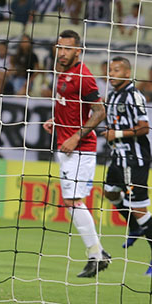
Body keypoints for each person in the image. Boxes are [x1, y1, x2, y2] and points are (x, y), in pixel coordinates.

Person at [42, 29, 109, 278]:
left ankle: (96, 253)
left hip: (80, 148)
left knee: (72, 201)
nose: (62, 53)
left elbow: (100, 112)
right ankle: (98, 251)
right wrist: (57, 122)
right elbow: (70, 107)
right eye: (59, 48)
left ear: (77, 51)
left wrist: (75, 136)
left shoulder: (83, 76)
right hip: (67, 146)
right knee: (69, 202)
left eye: (67, 49)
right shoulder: (63, 73)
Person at [102, 57, 152, 276]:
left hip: (134, 159)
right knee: (110, 193)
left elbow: (144, 128)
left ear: (127, 73)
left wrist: (116, 134)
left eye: (117, 70)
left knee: (140, 208)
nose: (112, 73)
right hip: (117, 158)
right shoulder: (112, 96)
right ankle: (133, 226)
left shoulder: (134, 96)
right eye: (110, 70)